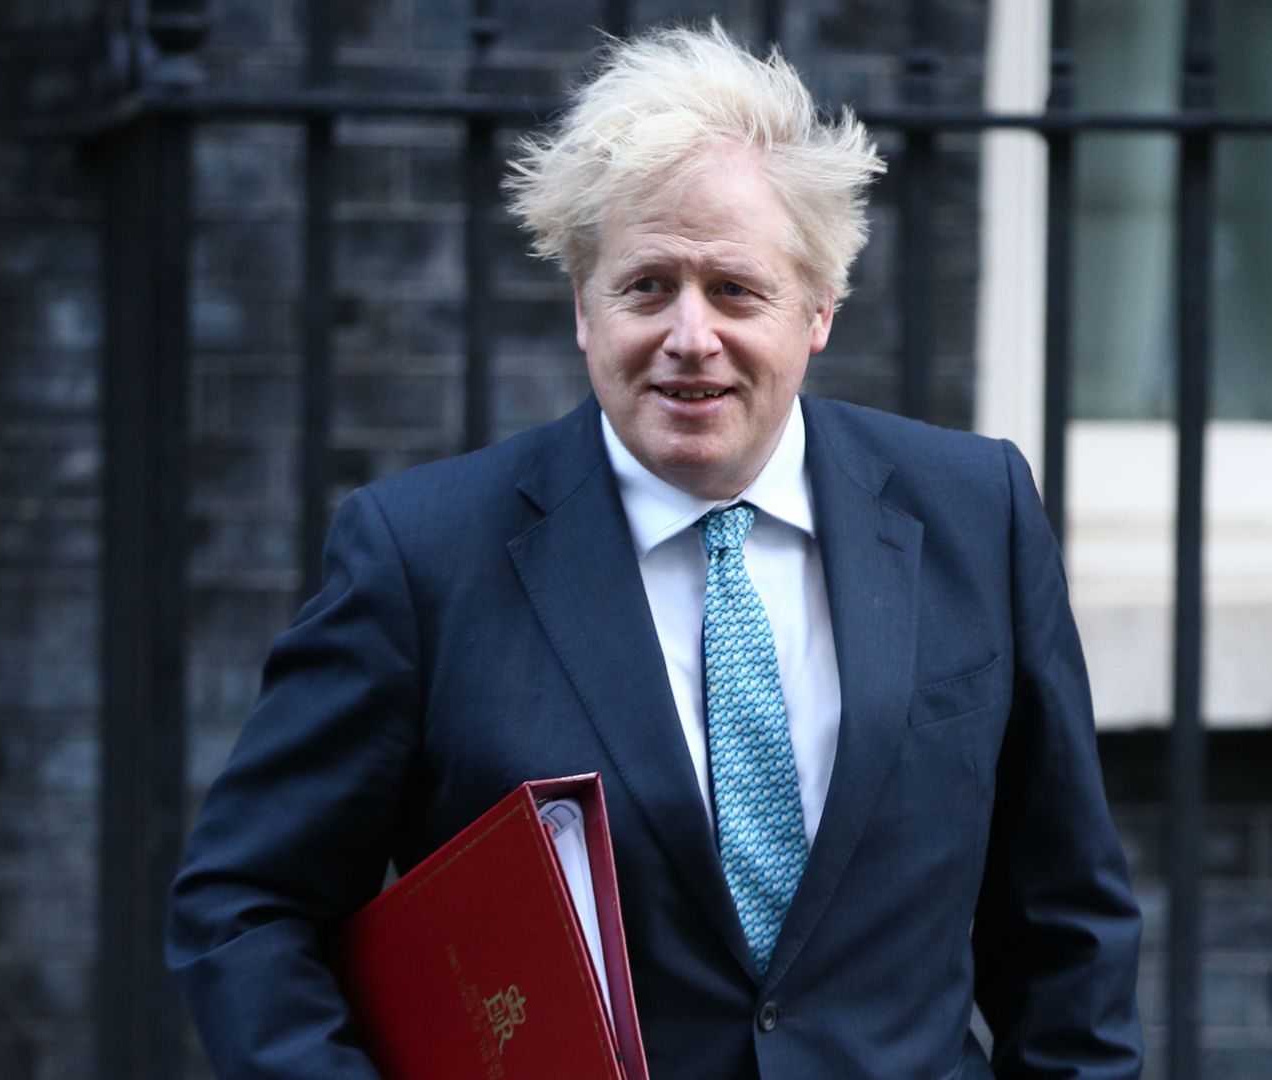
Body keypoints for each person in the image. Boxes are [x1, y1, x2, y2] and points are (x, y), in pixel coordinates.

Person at [167, 22, 1141, 1080]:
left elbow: (1066, 931)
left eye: (734, 289)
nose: (689, 336)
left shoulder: (976, 513)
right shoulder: (422, 559)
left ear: (818, 308)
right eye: (645, 287)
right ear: (583, 308)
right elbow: (247, 908)